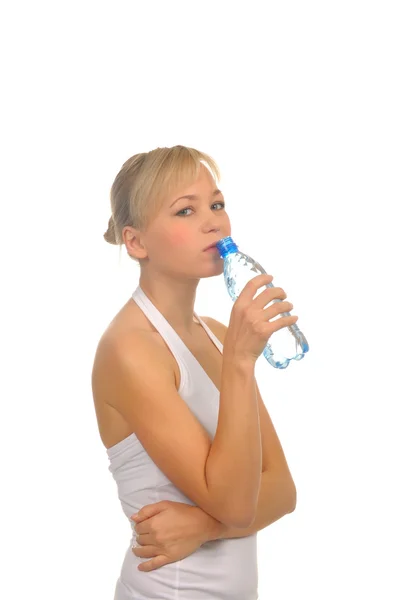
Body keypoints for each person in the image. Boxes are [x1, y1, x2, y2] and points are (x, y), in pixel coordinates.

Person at [91, 145, 297, 599]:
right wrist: (240, 365)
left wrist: (205, 527)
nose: (213, 221)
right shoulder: (130, 350)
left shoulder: (221, 335)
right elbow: (237, 505)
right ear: (136, 242)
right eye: (186, 210)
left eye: (217, 205)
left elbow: (282, 489)